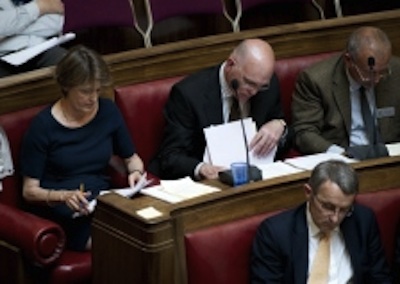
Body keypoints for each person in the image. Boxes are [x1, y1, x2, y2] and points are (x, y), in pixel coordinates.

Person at [20, 45, 144, 251]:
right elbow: (29, 191)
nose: (93, 98)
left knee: (151, 232)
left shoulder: (108, 111)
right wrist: (63, 196)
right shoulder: (43, 126)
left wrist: (136, 173)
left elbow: (131, 158)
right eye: (86, 91)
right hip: (63, 209)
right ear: (67, 86)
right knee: (122, 246)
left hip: (102, 201)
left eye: (97, 90)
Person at [149, 38, 290, 180]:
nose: (254, 92)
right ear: (230, 65)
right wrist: (201, 168)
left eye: (261, 86)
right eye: (248, 83)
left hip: (253, 179)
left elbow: (286, 137)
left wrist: (279, 125)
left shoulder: (267, 87)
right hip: (206, 184)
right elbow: (170, 155)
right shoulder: (189, 94)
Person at [251, 160, 392, 283]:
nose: (335, 218)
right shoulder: (276, 233)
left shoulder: (362, 220)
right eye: (328, 207)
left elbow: (380, 278)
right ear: (308, 192)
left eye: (344, 209)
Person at [292, 26, 400, 160]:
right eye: (369, 73)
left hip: (390, 157)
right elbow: (304, 132)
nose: (376, 79)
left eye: (382, 72)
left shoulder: (396, 71)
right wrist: (340, 155)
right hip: (342, 161)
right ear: (348, 60)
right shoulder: (316, 80)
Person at [0, 0, 66, 77]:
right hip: (3, 55)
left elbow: (57, 22)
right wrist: (40, 7)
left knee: (70, 66)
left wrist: (10, 28)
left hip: (38, 47)